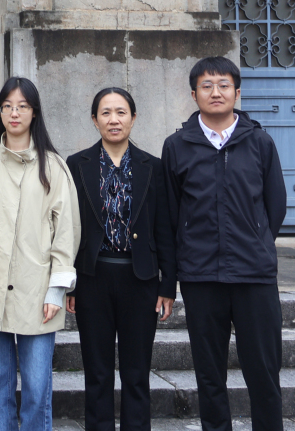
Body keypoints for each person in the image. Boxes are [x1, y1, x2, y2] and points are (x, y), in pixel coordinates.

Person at [162, 57, 287, 431]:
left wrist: (256, 241)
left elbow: (275, 205)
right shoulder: (177, 146)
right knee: (209, 375)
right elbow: (170, 214)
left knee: (264, 373)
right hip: (201, 276)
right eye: (206, 85)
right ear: (193, 94)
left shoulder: (260, 142)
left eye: (223, 85)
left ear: (237, 92)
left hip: (254, 275)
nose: (215, 92)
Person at [0, 77, 80, 431]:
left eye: (22, 106)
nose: (14, 113)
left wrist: (57, 290)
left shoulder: (54, 166)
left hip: (38, 291)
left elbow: (66, 231)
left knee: (36, 386)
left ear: (35, 112)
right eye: (7, 106)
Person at [65, 88, 176, 431]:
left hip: (140, 279)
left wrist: (167, 285)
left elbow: (164, 228)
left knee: (136, 372)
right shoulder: (77, 164)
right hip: (92, 279)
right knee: (97, 372)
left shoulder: (152, 166)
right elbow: (69, 228)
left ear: (133, 118)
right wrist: (70, 283)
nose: (114, 120)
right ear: (94, 119)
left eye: (121, 112)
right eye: (106, 113)